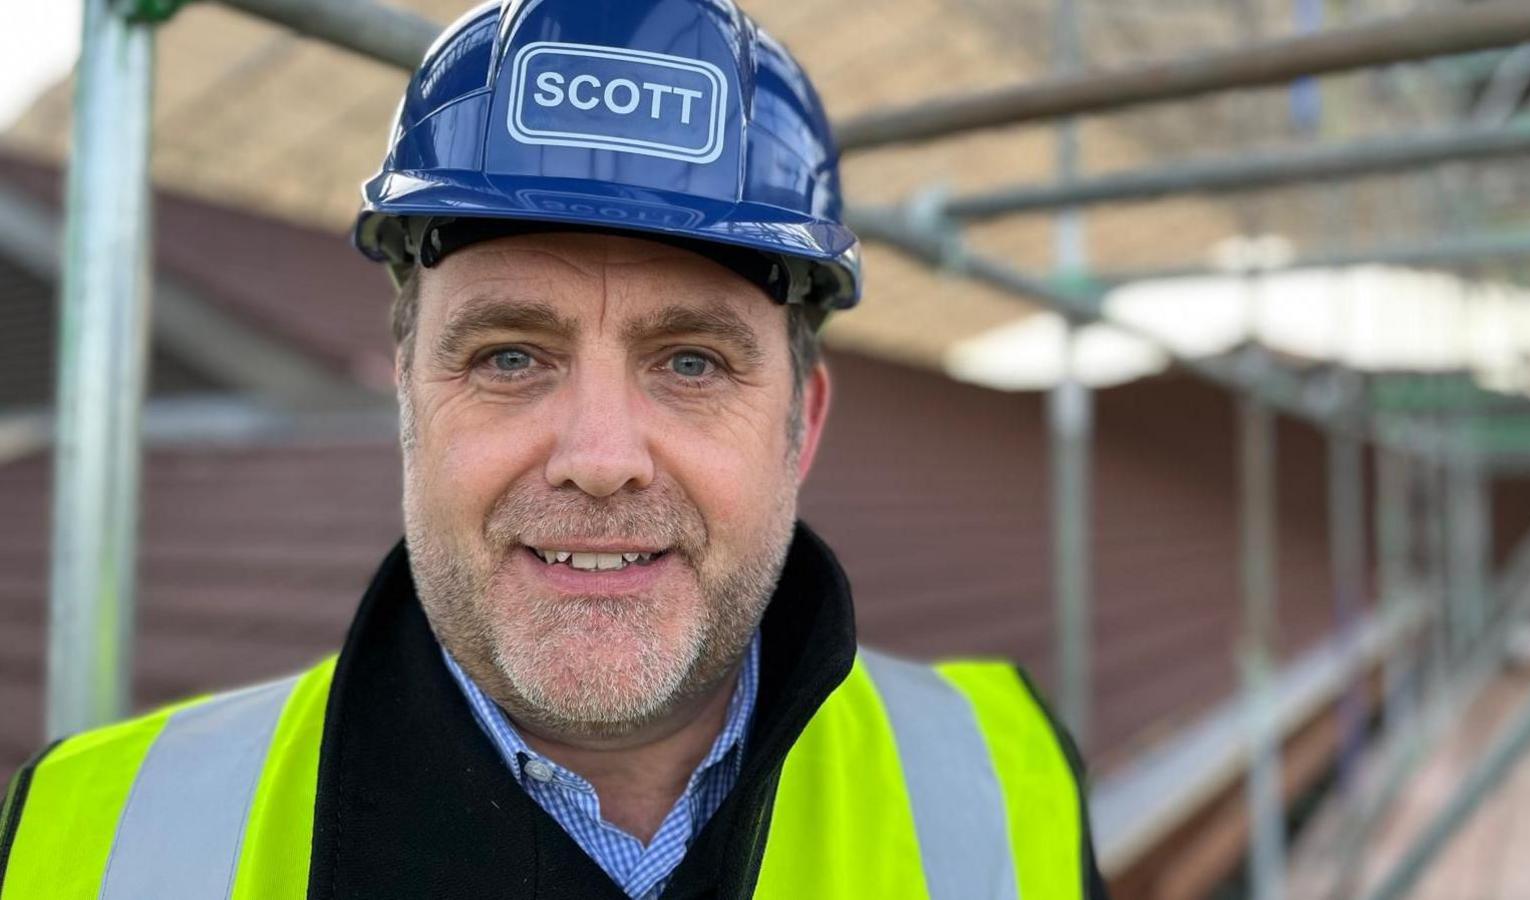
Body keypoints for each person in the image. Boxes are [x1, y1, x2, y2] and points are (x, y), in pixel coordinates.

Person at [0, 1, 1109, 897]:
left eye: (691, 364)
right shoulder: (93, 845)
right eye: (509, 357)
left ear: (801, 424)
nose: (599, 456)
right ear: (409, 401)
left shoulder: (1004, 785)